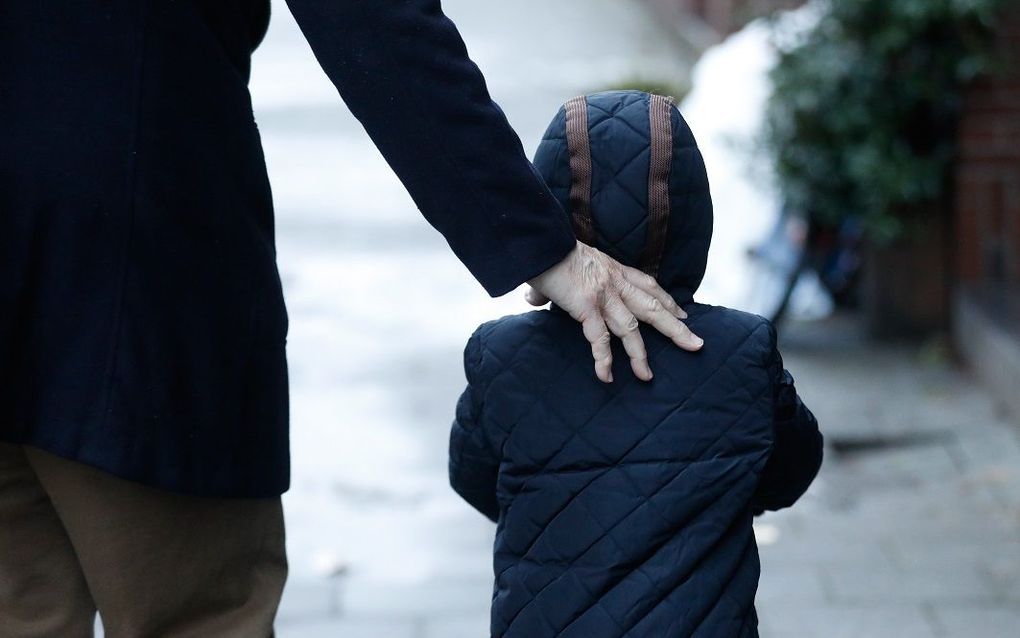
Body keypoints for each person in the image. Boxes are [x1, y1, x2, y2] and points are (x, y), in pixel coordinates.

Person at [0, 2, 704, 637]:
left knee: (23, 609)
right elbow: (372, 21)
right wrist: (537, 244)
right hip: (128, 257)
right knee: (198, 616)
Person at [448, 90, 824, 638]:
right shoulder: (741, 349)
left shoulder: (500, 355)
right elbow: (791, 471)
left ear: (547, 204)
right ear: (695, 211)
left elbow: (474, 478)